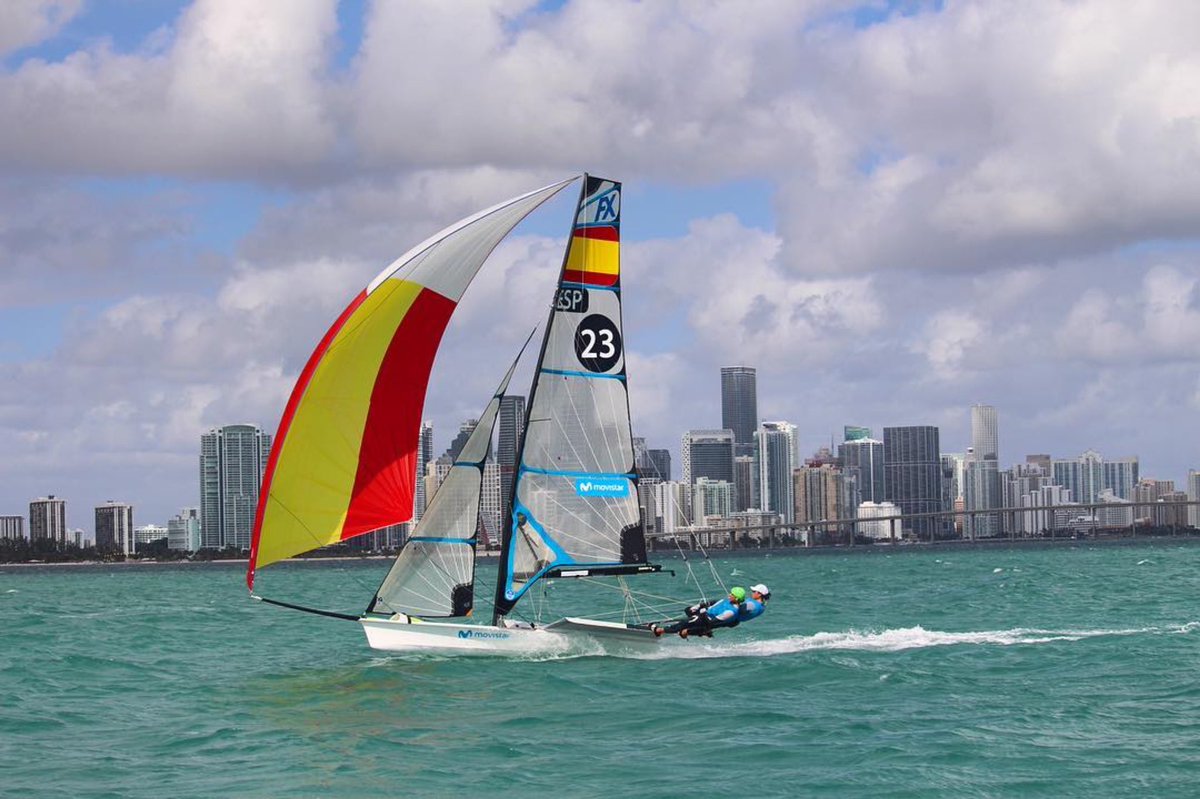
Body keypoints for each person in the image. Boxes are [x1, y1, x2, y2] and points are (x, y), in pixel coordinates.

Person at [652, 586, 755, 639]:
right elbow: (713, 603)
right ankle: (696, 630)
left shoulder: (731, 612)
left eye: (732, 594)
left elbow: (712, 622)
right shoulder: (727, 600)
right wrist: (699, 607)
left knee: (682, 625)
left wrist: (700, 614)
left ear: (736, 598)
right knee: (688, 610)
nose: (729, 594)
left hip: (705, 619)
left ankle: (659, 631)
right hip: (704, 614)